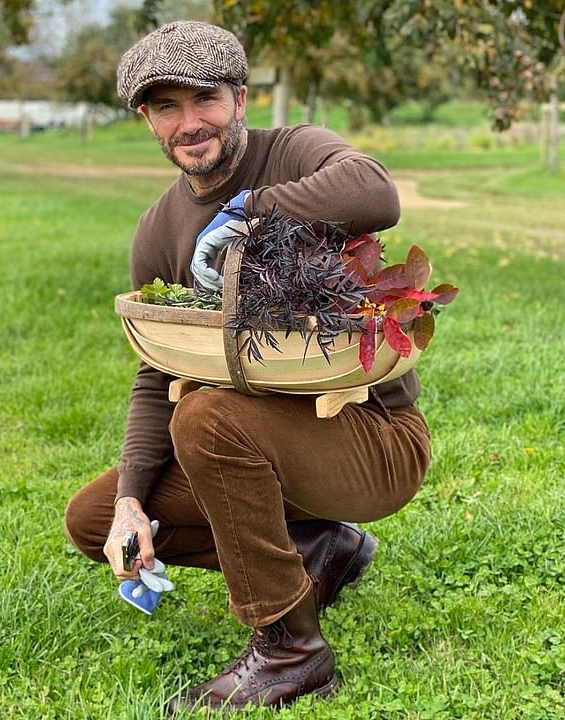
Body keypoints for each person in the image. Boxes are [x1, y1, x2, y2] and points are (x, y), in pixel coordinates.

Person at [64, 20, 431, 713]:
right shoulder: (157, 228)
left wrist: (249, 211)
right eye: (165, 107)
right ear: (146, 119)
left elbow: (377, 194)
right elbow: (155, 372)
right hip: (256, 447)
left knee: (206, 417)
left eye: (204, 99)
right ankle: (319, 551)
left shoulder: (294, 151)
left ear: (238, 98)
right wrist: (131, 503)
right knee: (92, 518)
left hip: (371, 439)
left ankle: (292, 650)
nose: (189, 123)